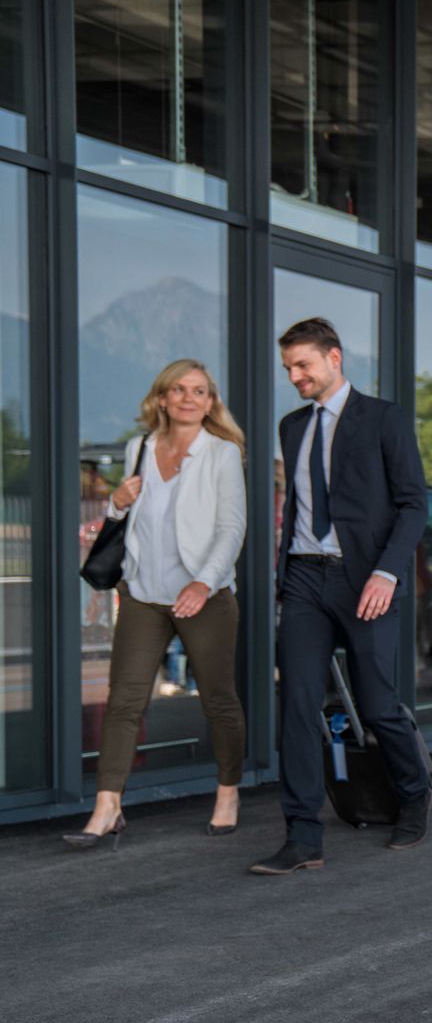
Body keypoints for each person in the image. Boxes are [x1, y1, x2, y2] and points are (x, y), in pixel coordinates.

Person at [252, 317, 431, 875]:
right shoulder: (291, 427)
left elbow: (413, 504)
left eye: (302, 365)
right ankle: (303, 834)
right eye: (288, 368)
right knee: (298, 705)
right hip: (305, 579)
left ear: (334, 358)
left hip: (366, 580)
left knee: (378, 705)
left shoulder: (383, 418)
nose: (294, 376)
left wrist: (387, 574)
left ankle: (413, 791)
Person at [64, 360, 248, 846]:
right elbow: (130, 518)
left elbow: (232, 530)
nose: (189, 398)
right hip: (143, 595)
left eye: (201, 391)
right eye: (179, 390)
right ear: (162, 398)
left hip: (203, 598)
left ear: (211, 403)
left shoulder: (221, 453)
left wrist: (203, 584)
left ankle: (227, 792)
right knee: (123, 702)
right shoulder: (139, 447)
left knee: (219, 701)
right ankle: (108, 807)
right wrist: (116, 503)